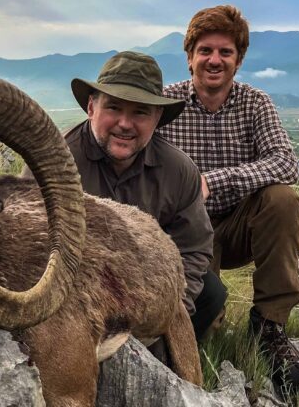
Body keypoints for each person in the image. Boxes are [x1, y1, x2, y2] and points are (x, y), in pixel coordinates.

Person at [159, 5, 299, 394]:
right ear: (190, 56)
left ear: (238, 60)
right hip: (185, 230)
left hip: (240, 225)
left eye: (225, 52)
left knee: (283, 200)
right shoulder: (166, 104)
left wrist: (215, 180)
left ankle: (269, 324)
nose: (215, 60)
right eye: (206, 50)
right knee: (204, 321)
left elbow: (285, 163)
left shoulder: (254, 102)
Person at [67, 50, 225, 344]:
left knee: (211, 293)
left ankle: (171, 360)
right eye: (114, 107)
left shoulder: (178, 171)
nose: (125, 124)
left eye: (140, 112)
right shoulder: (58, 161)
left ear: (157, 118)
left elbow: (193, 250)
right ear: (91, 107)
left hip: (146, 284)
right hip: (76, 283)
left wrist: (168, 317)